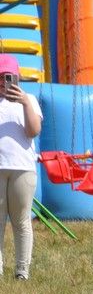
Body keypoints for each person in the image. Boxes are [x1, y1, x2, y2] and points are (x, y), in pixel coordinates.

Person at [0, 54, 41, 281]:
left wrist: (24, 102)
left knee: (21, 220)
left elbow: (33, 131)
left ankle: (22, 270)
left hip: (22, 168)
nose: (3, 82)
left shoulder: (30, 100)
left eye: (8, 77)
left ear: (17, 78)